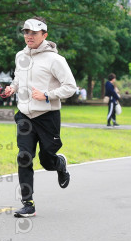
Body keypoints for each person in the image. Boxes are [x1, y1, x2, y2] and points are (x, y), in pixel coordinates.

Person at [4, 16, 77, 218]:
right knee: (24, 157)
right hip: (25, 116)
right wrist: (13, 87)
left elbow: (70, 87)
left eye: (34, 33)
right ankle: (28, 203)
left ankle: (59, 163)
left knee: (46, 161)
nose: (29, 36)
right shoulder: (20, 56)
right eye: (26, 32)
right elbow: (18, 78)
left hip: (47, 117)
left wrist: (47, 95)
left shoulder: (55, 60)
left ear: (44, 35)